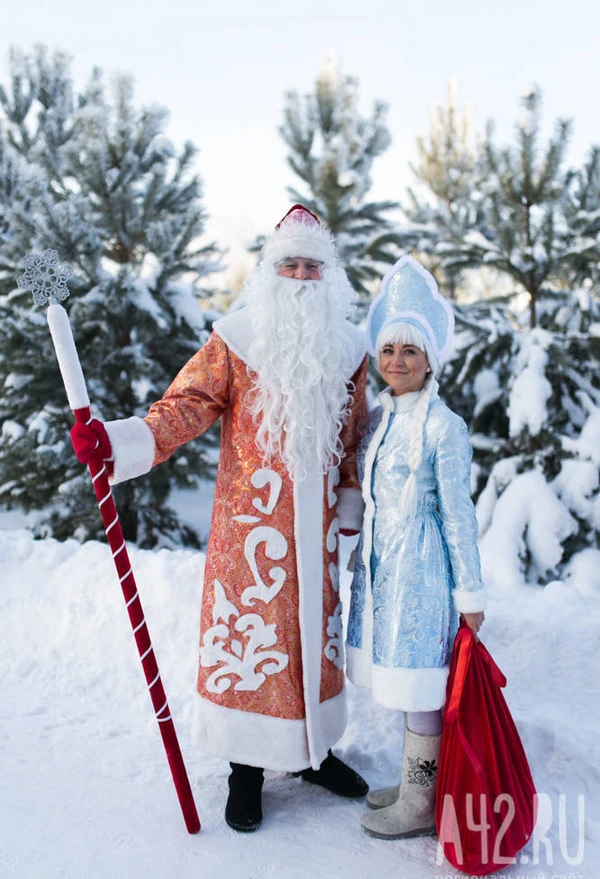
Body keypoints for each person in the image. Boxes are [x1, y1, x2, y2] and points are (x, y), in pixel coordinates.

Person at [71, 205, 369, 832]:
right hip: (250, 528)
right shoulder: (236, 339)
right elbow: (185, 405)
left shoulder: (348, 349)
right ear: (269, 270)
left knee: (311, 642)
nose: (299, 274)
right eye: (288, 262)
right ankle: (246, 769)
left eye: (312, 265)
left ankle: (314, 754)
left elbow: (353, 433)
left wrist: (348, 495)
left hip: (317, 536)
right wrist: (121, 442)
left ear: (329, 276)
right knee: (253, 644)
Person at [345, 255, 487, 841]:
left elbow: (459, 514)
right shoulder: (378, 420)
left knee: (422, 681)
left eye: (409, 351)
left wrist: (468, 593)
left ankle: (422, 799)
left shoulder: (442, 426)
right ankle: (412, 783)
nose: (397, 361)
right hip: (384, 571)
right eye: (388, 351)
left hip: (423, 574)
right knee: (401, 677)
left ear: (429, 359)